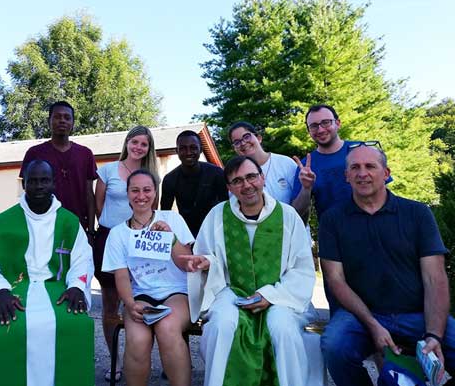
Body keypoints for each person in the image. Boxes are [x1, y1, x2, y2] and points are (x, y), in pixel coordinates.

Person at [319, 143, 455, 386]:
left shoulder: (418, 213)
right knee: (334, 346)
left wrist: (434, 334)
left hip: (415, 314)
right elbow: (335, 279)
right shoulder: (332, 220)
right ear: (346, 176)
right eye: (355, 168)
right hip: (360, 316)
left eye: (370, 166)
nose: (362, 173)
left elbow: (434, 278)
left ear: (386, 173)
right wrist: (373, 325)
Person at [182, 156, 320, 386]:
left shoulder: (287, 216)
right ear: (229, 188)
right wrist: (207, 263)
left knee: (282, 328)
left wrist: (269, 295)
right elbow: (207, 255)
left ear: (262, 178)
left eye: (251, 177)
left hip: (281, 295)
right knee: (223, 324)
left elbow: (301, 269)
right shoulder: (218, 215)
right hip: (231, 291)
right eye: (237, 181)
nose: (246, 185)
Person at [0, 159, 94, 386]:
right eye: (33, 181)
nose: (39, 186)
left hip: (58, 287)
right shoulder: (5, 221)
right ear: (24, 184)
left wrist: (77, 287)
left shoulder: (69, 221)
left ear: (53, 183)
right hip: (15, 288)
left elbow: (82, 260)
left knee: (77, 326)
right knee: (8, 329)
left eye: (44, 180)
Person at [102, 169, 195, 386]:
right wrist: (130, 304)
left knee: (167, 328)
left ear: (155, 192)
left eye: (147, 190)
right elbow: (121, 275)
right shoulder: (118, 233)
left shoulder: (172, 219)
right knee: (137, 338)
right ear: (127, 193)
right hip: (141, 295)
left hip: (177, 291)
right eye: (135, 190)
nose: (141, 196)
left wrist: (171, 238)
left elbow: (187, 263)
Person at [94, 125, 159, 382]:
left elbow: (154, 208)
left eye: (144, 144)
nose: (138, 147)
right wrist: (114, 231)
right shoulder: (108, 170)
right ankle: (115, 361)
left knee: (142, 301)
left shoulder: (152, 175)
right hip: (110, 239)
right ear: (127, 142)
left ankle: (139, 359)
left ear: (149, 148)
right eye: (135, 142)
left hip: (141, 242)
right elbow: (99, 204)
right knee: (111, 305)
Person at [20, 100, 98, 233]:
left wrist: (90, 230)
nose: (62, 121)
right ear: (49, 121)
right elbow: (27, 189)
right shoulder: (34, 153)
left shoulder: (85, 154)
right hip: (42, 225)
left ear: (73, 123)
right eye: (57, 117)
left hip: (77, 225)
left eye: (67, 117)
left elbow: (89, 194)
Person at [291, 104, 355, 223]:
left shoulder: (360, 150)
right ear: (309, 131)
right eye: (314, 126)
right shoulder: (306, 166)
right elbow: (296, 213)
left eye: (326, 122)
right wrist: (306, 188)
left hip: (374, 226)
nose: (320, 130)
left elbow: (383, 191)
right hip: (332, 231)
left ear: (338, 123)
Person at [161, 130, 228, 237]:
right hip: (187, 233)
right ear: (177, 151)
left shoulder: (216, 173)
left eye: (193, 147)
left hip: (215, 230)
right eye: (183, 148)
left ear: (201, 149)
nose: (188, 152)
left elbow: (226, 205)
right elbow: (165, 213)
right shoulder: (170, 179)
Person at [228, 122, 297, 205]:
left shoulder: (285, 163)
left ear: (259, 138)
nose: (243, 143)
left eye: (246, 137)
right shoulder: (235, 176)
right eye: (237, 142)